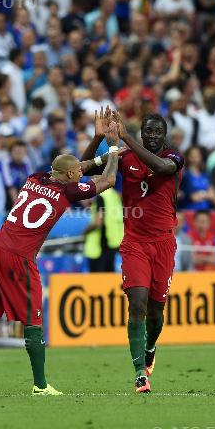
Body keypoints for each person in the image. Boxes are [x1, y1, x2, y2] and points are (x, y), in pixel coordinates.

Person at [0, 118, 121, 397]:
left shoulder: (36, 178)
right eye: (76, 173)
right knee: (34, 319)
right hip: (19, 257)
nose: (80, 173)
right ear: (68, 177)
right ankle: (40, 385)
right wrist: (112, 148)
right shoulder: (67, 190)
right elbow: (108, 179)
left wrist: (96, 142)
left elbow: (75, 167)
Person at [82, 110, 184, 393]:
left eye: (157, 132)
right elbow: (81, 168)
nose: (152, 136)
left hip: (163, 244)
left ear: (164, 136)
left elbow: (162, 169)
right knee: (137, 305)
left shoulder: (174, 158)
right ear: (141, 132)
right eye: (147, 131)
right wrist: (98, 138)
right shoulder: (123, 157)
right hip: (135, 243)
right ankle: (140, 373)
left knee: (156, 311)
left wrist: (126, 140)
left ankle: (150, 348)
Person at [84, 187, 124, 272]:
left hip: (99, 246)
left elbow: (98, 222)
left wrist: (85, 232)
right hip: (113, 243)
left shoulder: (101, 196)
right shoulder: (115, 195)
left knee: (98, 282)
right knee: (109, 279)